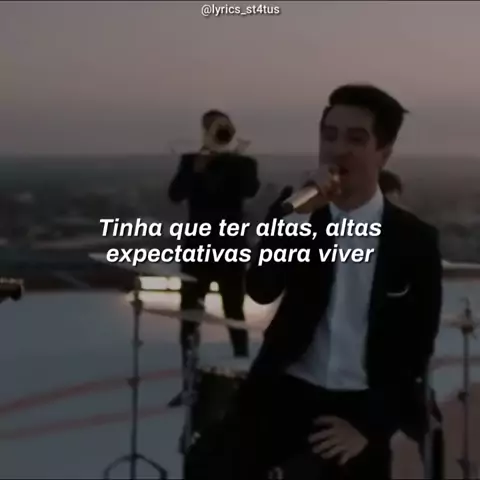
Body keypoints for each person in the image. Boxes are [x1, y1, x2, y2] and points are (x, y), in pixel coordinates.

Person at [184, 84, 442, 479]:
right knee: (205, 463)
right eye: (329, 136)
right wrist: (299, 215)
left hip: (359, 405)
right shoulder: (296, 213)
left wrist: (369, 427)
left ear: (384, 152)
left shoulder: (415, 240)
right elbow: (261, 288)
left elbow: (416, 349)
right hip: (285, 390)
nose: (338, 149)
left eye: (356, 139)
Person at [168, 109, 260, 406]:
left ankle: (243, 381)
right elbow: (175, 194)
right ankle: (189, 384)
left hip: (230, 249)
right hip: (197, 251)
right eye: (210, 127)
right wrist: (196, 169)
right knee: (189, 318)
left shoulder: (244, 162)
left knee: (235, 315)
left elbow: (250, 189)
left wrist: (225, 162)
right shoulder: (191, 161)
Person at [379, 168, 445, 480]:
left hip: (401, 372)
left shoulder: (415, 240)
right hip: (370, 375)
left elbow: (428, 313)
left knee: (431, 432)